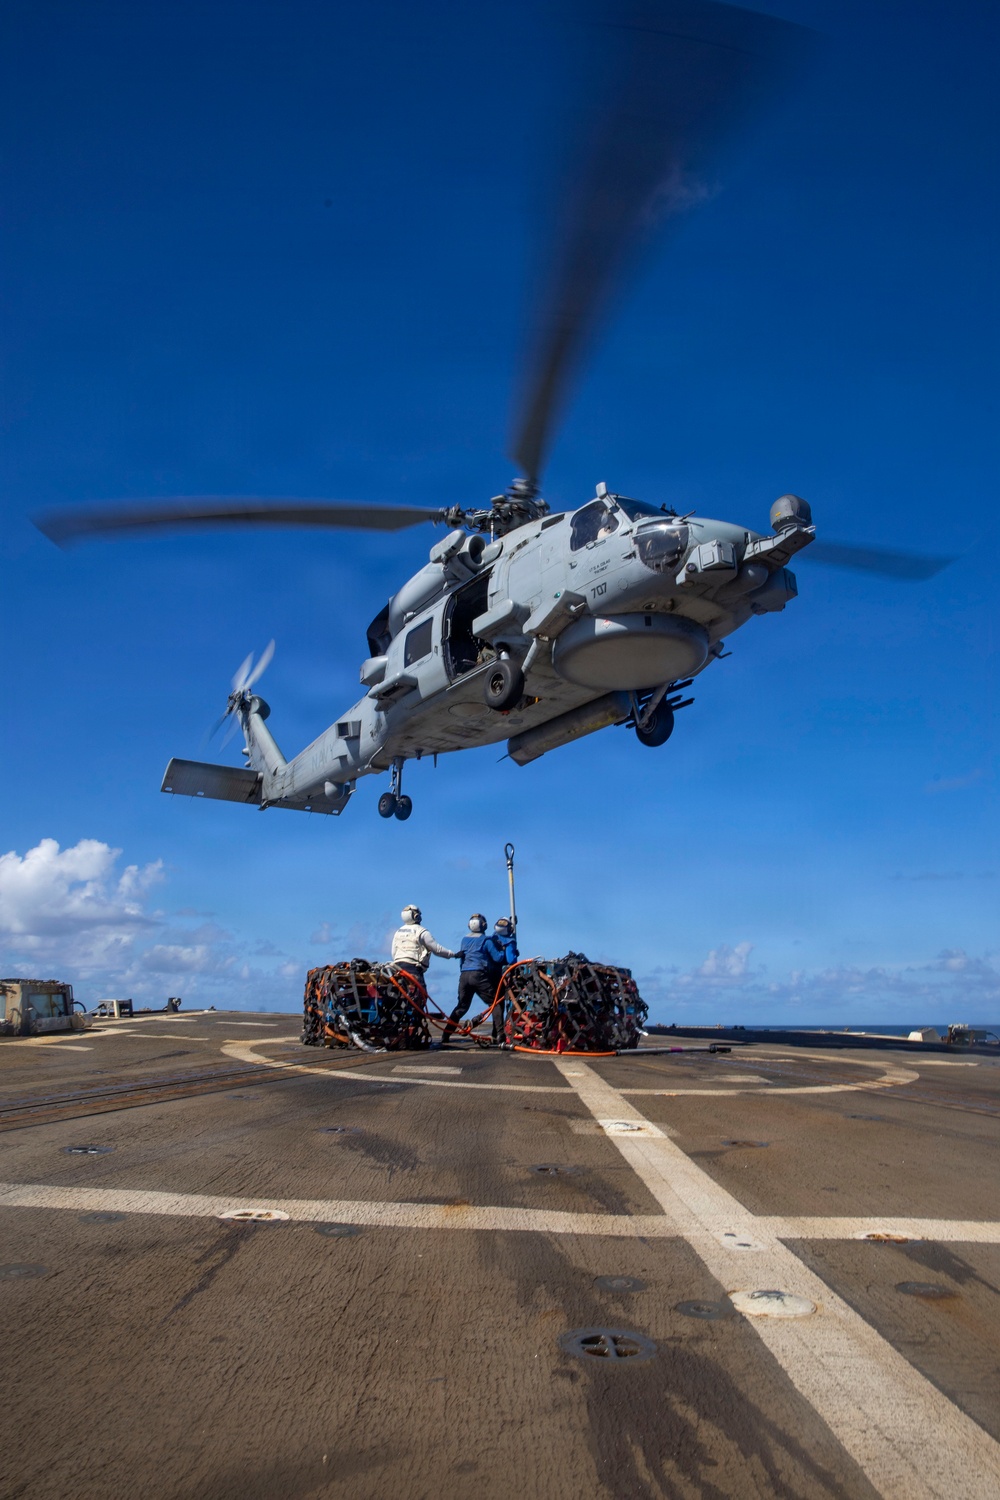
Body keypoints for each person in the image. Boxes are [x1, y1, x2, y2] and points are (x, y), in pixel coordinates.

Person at [440, 914, 496, 1046]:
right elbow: (497, 957)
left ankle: (445, 1035)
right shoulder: (486, 940)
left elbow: (462, 959)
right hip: (478, 975)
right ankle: (498, 1035)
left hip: (464, 975)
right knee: (495, 1003)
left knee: (461, 1007)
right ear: (484, 925)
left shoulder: (464, 940)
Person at [390, 905, 459, 988]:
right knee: (420, 995)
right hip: (413, 968)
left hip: (397, 968)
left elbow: (393, 953)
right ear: (416, 916)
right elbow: (437, 949)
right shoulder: (421, 931)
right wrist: (453, 954)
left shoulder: (398, 932)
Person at [485, 917, 518, 1044]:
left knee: (493, 1003)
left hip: (488, 973)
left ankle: (495, 1033)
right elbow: (511, 961)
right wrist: (515, 953)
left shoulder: (491, 938)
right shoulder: (509, 942)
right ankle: (498, 1033)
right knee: (500, 1004)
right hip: (501, 975)